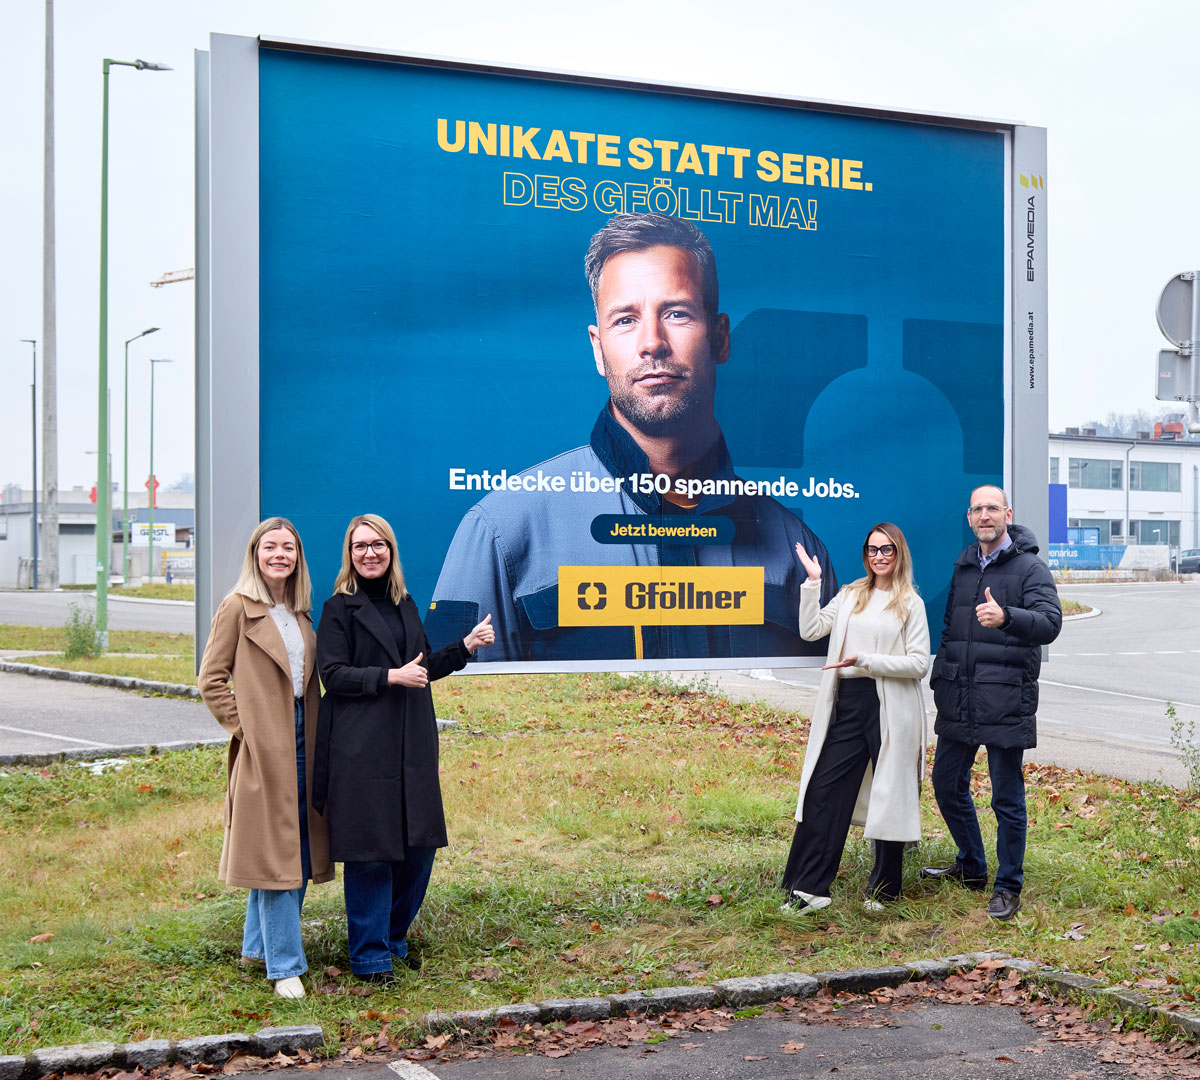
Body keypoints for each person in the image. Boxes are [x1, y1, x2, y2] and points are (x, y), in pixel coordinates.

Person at [427, 212, 836, 662]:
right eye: (625, 320)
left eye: (676, 313)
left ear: (720, 337)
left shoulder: (797, 551)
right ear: (598, 349)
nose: (652, 342)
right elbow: (450, 716)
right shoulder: (501, 534)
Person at [311, 513, 495, 982]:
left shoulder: (406, 603)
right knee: (372, 852)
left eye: (378, 545)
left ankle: (394, 939)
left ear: (391, 551)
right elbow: (331, 675)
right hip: (361, 746)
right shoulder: (338, 609)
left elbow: (422, 667)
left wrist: (465, 647)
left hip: (411, 743)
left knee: (419, 847)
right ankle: (369, 957)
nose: (369, 553)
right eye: (359, 547)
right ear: (349, 556)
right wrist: (390, 677)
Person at [198, 516, 332, 999]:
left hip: (306, 738)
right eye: (270, 547)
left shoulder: (299, 611)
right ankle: (285, 967)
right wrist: (247, 732)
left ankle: (258, 949)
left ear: (298, 558)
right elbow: (210, 680)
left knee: (293, 842)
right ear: (255, 554)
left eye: (288, 548)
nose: (280, 555)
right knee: (278, 851)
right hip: (265, 746)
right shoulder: (237, 607)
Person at [922, 486, 1061, 922]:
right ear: (969, 518)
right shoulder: (964, 567)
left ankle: (1007, 886)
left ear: (1007, 514)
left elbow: (1050, 624)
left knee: (1006, 798)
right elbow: (950, 632)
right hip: (959, 698)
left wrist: (1007, 617)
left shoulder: (1029, 567)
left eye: (992, 509)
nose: (985, 516)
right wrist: (942, 679)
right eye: (978, 509)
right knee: (946, 782)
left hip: (1004, 698)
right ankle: (971, 865)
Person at [781, 522, 931, 914]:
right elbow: (810, 629)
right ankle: (809, 888)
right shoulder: (850, 595)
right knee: (823, 791)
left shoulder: (911, 603)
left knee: (890, 794)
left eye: (887, 550)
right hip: (848, 701)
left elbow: (918, 664)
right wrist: (812, 583)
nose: (878, 556)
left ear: (899, 554)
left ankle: (885, 891)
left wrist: (866, 661)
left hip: (891, 706)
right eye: (872, 549)